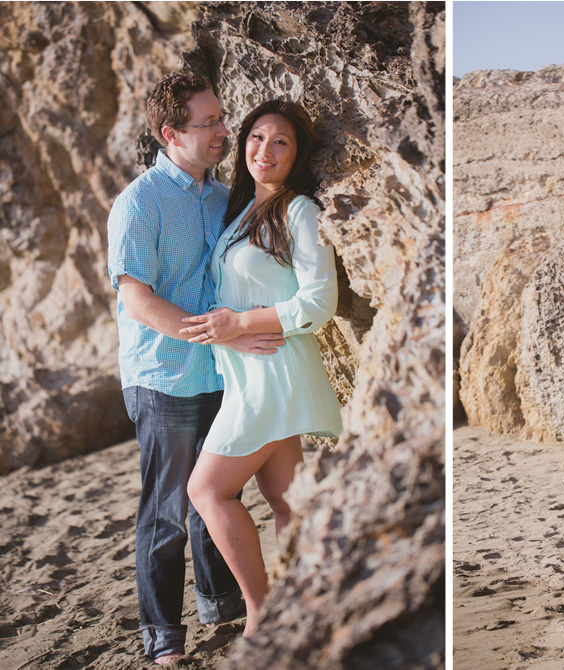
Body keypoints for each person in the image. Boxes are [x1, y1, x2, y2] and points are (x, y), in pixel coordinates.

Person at [107, 72, 286, 664]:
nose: (222, 132)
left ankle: (222, 605)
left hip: (221, 372)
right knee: (166, 514)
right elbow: (137, 297)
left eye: (220, 118)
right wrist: (217, 335)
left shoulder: (221, 194)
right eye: (207, 123)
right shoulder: (140, 201)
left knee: (212, 497)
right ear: (169, 134)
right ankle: (163, 638)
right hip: (163, 376)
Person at [182, 99, 343, 637]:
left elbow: (318, 302)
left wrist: (241, 324)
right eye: (256, 137)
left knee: (205, 491)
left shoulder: (301, 211)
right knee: (284, 497)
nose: (265, 150)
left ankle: (262, 612)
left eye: (281, 142)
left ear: (297, 156)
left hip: (276, 371)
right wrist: (230, 332)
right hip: (247, 374)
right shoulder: (243, 211)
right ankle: (307, 607)